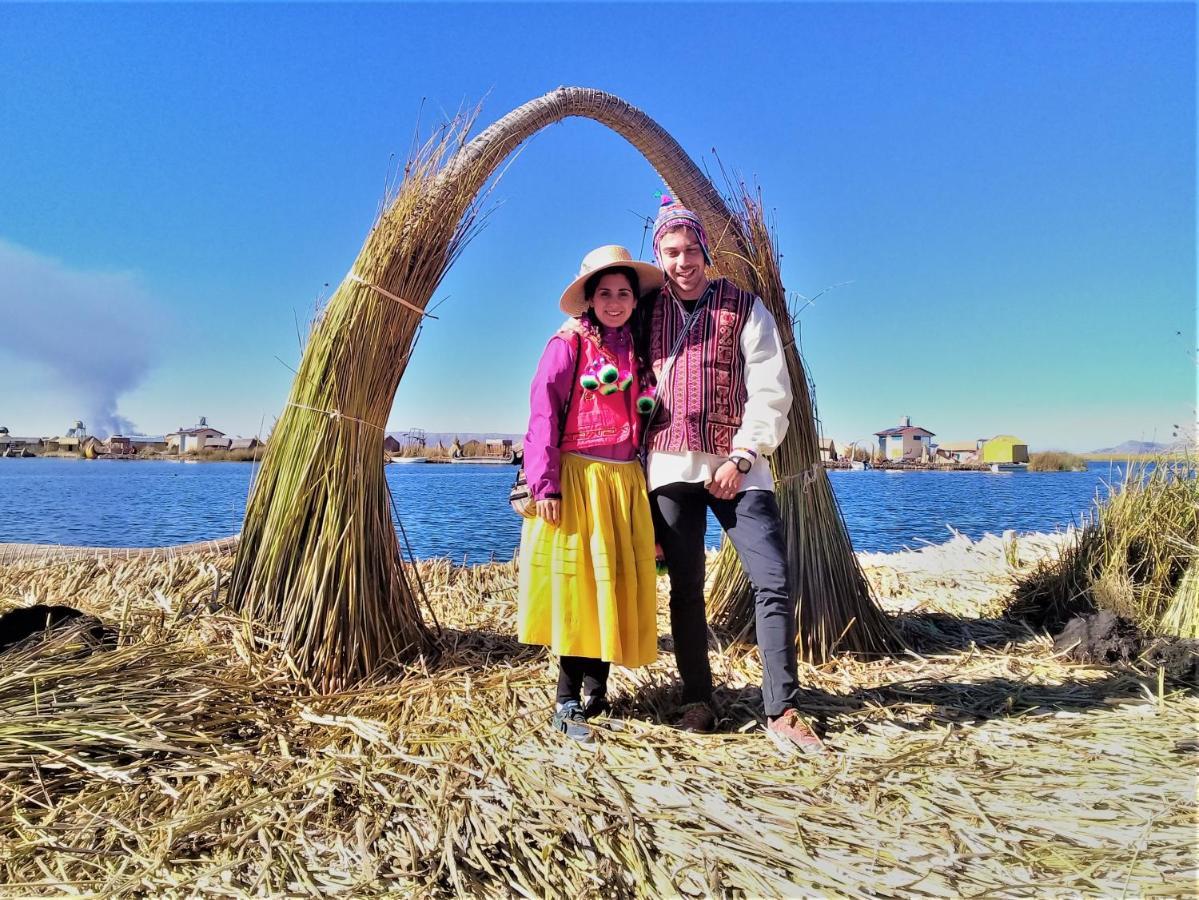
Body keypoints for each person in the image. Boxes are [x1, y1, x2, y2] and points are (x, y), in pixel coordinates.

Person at [640, 196, 822, 752]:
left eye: (691, 250)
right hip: (671, 466)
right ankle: (698, 698)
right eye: (671, 252)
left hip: (739, 467)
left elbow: (772, 388)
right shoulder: (646, 309)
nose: (683, 261)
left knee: (772, 579)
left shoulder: (744, 307)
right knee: (686, 590)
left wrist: (743, 457)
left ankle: (782, 709)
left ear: (705, 251)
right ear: (659, 255)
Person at [518, 245, 663, 744]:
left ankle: (598, 695)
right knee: (580, 589)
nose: (616, 301)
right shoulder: (567, 344)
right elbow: (542, 414)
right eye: (605, 293)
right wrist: (545, 484)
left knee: (611, 584)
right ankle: (566, 700)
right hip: (578, 479)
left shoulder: (636, 346)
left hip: (622, 481)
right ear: (588, 298)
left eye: (624, 292)